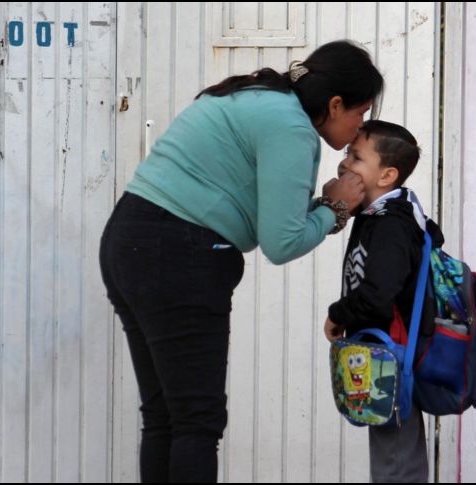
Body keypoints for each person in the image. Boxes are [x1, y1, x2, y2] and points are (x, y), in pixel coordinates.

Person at [99, 40, 383, 482]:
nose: (360, 125)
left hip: (129, 239)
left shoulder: (257, 96)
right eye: (360, 113)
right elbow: (281, 242)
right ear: (334, 104)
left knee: (165, 414)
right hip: (179, 255)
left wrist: (325, 208)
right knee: (196, 419)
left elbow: (271, 216)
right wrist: (336, 208)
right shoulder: (292, 126)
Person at [324, 120, 445, 483]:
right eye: (348, 154)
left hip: (393, 352)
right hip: (386, 353)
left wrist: (338, 314)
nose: (345, 164)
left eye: (357, 158)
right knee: (394, 452)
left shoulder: (392, 224)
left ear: (387, 175)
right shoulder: (382, 216)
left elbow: (378, 295)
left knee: (395, 461)